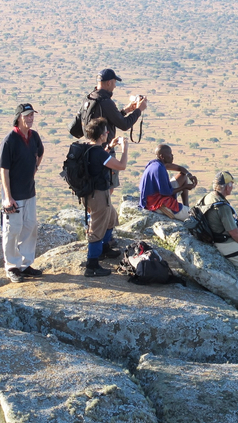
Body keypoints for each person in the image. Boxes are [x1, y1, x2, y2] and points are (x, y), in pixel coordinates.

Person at [0, 103, 45, 283]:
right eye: (27, 116)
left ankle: (25, 264)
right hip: (14, 194)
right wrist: (7, 197)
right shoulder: (10, 140)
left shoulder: (33, 136)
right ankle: (12, 266)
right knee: (12, 230)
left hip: (29, 191)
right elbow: (4, 170)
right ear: (19, 117)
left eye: (32, 115)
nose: (30, 119)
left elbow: (40, 153)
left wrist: (35, 168)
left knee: (30, 227)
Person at [80, 68, 147, 191]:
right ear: (109, 82)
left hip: (90, 149)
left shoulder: (90, 98)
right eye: (115, 83)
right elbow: (125, 125)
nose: (115, 86)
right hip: (104, 149)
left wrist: (126, 110)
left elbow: (108, 119)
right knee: (107, 187)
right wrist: (139, 110)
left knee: (94, 187)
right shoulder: (105, 101)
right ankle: (103, 209)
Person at [82, 117, 128, 277]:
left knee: (111, 218)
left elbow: (98, 158)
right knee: (97, 227)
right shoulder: (99, 154)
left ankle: (104, 248)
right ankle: (92, 265)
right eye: (106, 131)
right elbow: (121, 166)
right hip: (98, 195)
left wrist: (110, 146)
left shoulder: (87, 148)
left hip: (89, 193)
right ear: (101, 135)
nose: (108, 133)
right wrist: (124, 148)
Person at [138, 144, 198, 221]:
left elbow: (180, 168)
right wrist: (185, 187)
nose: (172, 155)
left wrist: (189, 175)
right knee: (195, 215)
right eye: (170, 153)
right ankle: (184, 211)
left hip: (156, 196)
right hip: (157, 203)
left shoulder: (155, 163)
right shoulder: (159, 169)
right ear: (162, 156)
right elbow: (166, 192)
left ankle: (186, 206)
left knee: (183, 177)